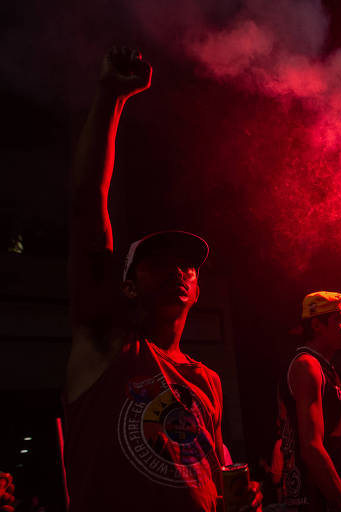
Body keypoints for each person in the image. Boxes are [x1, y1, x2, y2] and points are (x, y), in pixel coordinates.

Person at [65, 47, 260, 511]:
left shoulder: (207, 380)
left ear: (198, 289)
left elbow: (206, 479)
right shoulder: (107, 346)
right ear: (128, 285)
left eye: (187, 265)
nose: (177, 270)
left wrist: (233, 502)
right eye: (157, 262)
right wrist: (112, 97)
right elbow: (88, 209)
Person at [278, 292, 341, 512]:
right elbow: (312, 447)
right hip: (318, 501)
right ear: (317, 325)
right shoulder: (306, 365)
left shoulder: (324, 367)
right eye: (340, 319)